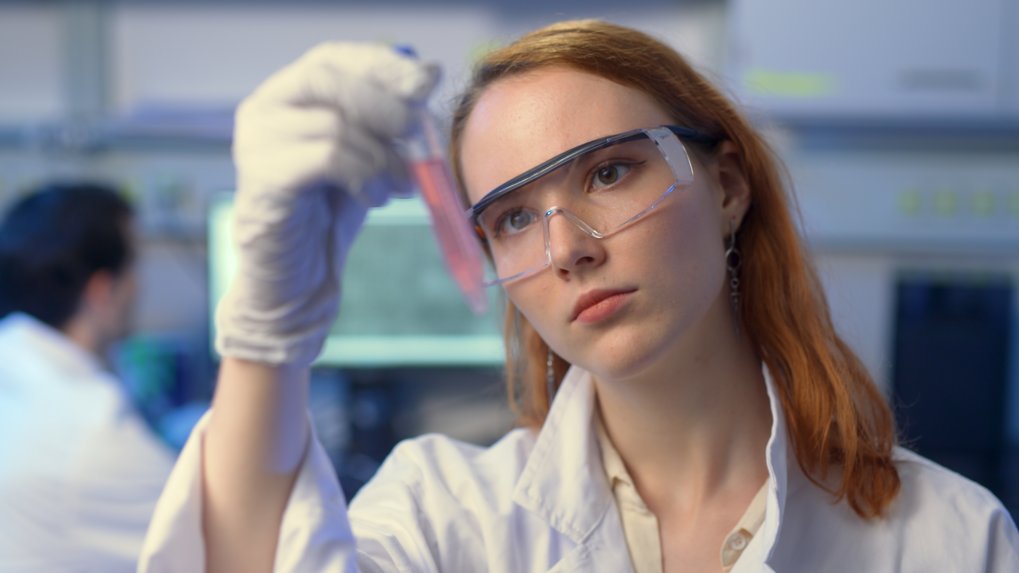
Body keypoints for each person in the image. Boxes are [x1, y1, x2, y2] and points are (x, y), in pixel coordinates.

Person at [140, 20, 1019, 572]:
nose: (567, 248)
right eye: (513, 218)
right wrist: (266, 337)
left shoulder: (949, 537)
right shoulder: (445, 517)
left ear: (725, 185)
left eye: (608, 172)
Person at [0, 182, 176, 572]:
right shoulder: (96, 432)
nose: (139, 286)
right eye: (134, 267)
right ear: (102, 290)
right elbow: (228, 550)